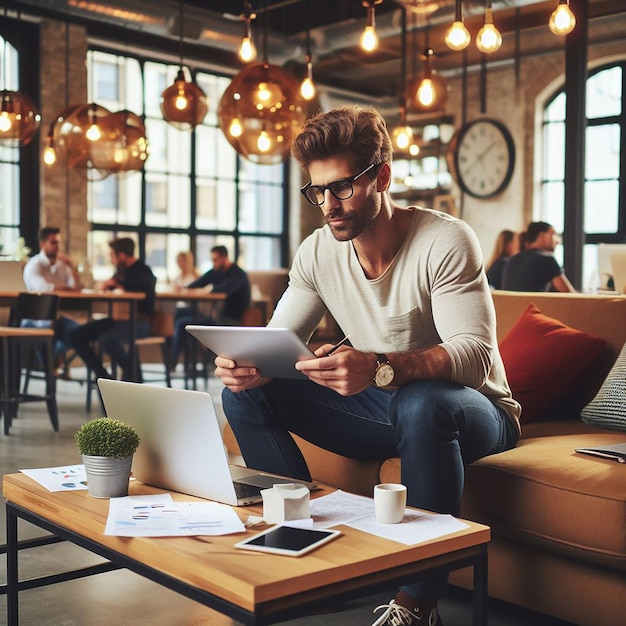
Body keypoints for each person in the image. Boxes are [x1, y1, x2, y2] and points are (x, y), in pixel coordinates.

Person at [215, 106, 521, 626]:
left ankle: (418, 604)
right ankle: (302, 546)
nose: (329, 206)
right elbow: (277, 343)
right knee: (244, 393)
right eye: (318, 192)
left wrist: (379, 365)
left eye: (343, 188)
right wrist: (251, 365)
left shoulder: (445, 240)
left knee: (422, 403)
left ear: (382, 176)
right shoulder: (317, 253)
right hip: (386, 413)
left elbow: (475, 357)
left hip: (475, 415)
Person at [68, 237, 156, 382]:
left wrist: (117, 284)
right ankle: (102, 376)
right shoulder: (120, 272)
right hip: (118, 319)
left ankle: (133, 374)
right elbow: (113, 286)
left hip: (140, 322)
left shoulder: (144, 271)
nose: (111, 259)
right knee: (76, 335)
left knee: (107, 338)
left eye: (112, 256)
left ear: (121, 255)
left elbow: (142, 287)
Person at [170, 245, 251, 368]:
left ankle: (192, 365)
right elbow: (199, 282)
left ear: (224, 259)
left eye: (215, 260)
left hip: (233, 319)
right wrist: (184, 288)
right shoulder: (215, 272)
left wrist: (208, 289)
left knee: (183, 323)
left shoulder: (238, 274)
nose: (214, 264)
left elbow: (226, 289)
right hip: (218, 318)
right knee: (182, 322)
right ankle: (181, 364)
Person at [22, 227, 81, 369]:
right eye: (53, 242)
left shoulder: (63, 266)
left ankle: (50, 361)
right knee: (50, 328)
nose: (57, 247)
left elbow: (77, 289)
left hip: (58, 317)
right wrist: (67, 289)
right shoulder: (34, 265)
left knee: (81, 334)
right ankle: (49, 365)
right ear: (42, 244)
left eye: (58, 243)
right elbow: (45, 289)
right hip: (35, 319)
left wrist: (73, 268)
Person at [501, 221, 576, 292]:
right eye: (553, 234)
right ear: (543, 236)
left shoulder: (511, 261)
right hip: (533, 306)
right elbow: (571, 296)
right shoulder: (547, 260)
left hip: (510, 305)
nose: (557, 241)